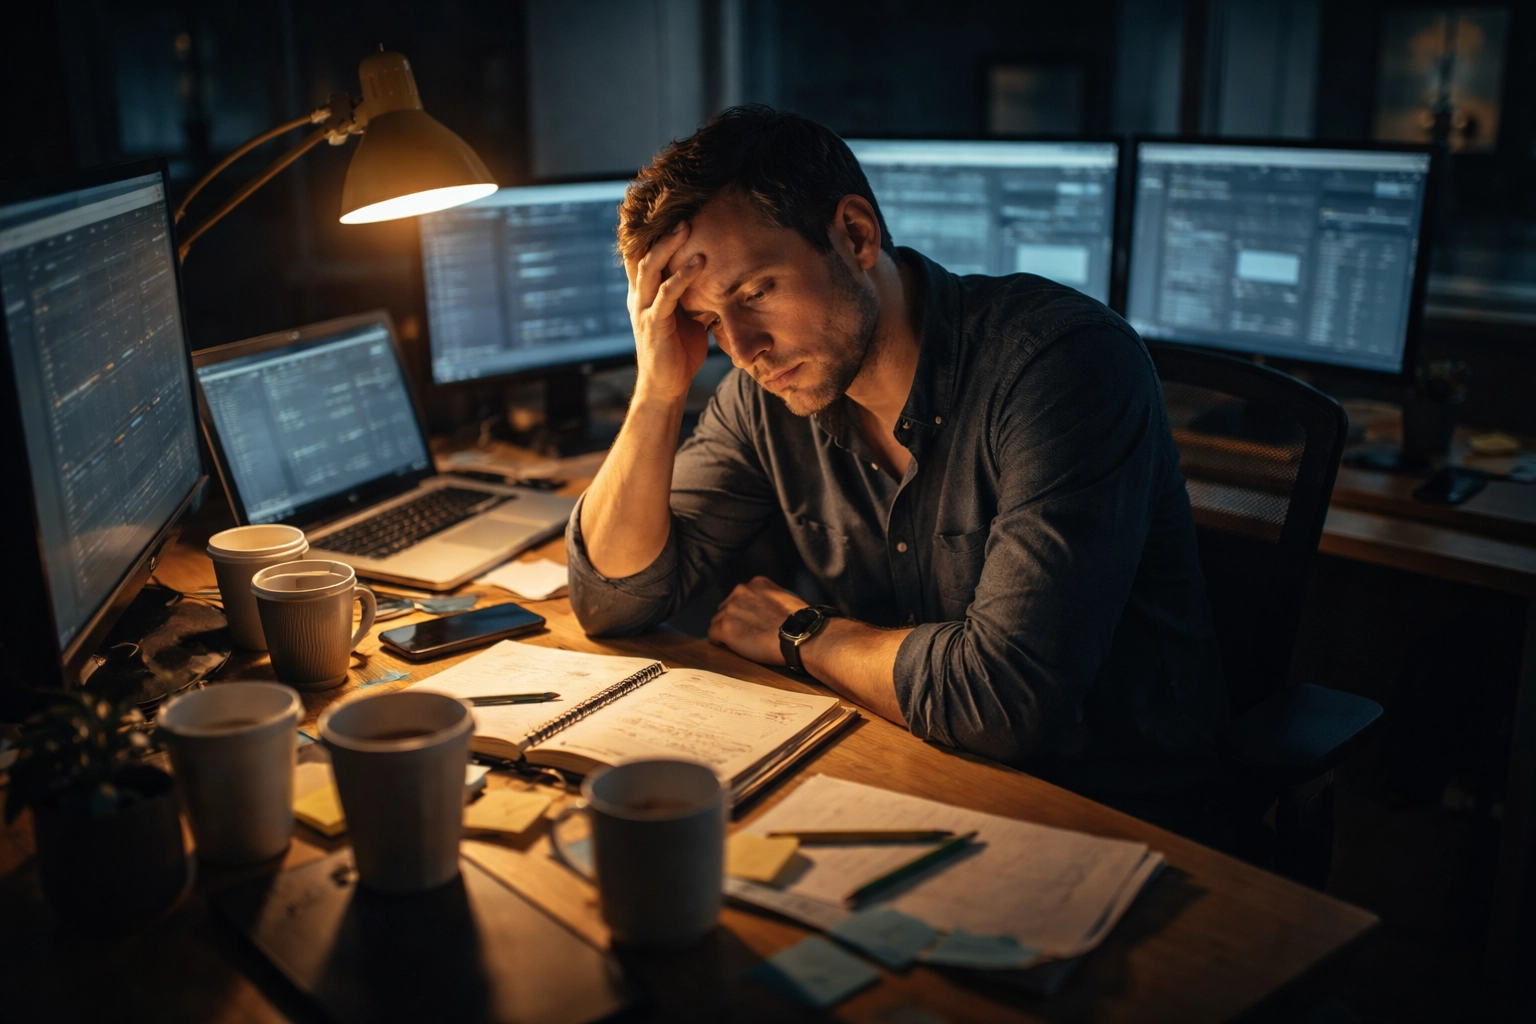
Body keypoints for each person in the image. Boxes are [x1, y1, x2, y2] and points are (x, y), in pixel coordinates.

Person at [566, 105, 1228, 819]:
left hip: (1109, 808)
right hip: (909, 768)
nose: (744, 347)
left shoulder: (1060, 367)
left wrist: (803, 635)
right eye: (705, 320)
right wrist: (658, 390)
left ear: (854, 234)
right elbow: (611, 600)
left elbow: (1004, 702)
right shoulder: (767, 393)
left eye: (755, 292)